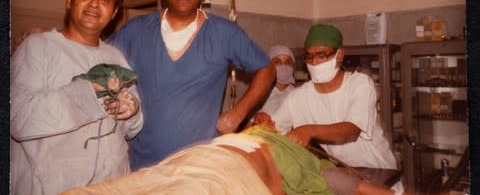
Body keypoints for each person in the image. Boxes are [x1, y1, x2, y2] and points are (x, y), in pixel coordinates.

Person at [108, 0, 276, 170]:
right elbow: (99, 62)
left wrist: (238, 113)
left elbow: (267, 68)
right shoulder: (135, 31)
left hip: (198, 167)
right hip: (142, 166)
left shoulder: (224, 33)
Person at [10, 0, 144, 195]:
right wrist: (89, 91)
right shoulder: (38, 47)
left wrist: (132, 112)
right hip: (55, 187)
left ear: (114, 13)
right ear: (69, 1)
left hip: (112, 184)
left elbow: (131, 129)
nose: (94, 4)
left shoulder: (116, 57)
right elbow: (18, 120)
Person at [61, 125, 398, 195]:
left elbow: (364, 190)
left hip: (231, 177)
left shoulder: (318, 166)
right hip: (199, 157)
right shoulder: (253, 133)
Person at [254, 24, 397, 171]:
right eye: (309, 56)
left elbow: (351, 130)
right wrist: (262, 122)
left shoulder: (359, 84)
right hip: (345, 172)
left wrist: (310, 130)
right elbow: (272, 130)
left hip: (378, 169)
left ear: (339, 55)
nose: (314, 62)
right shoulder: (299, 97)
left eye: (321, 55)